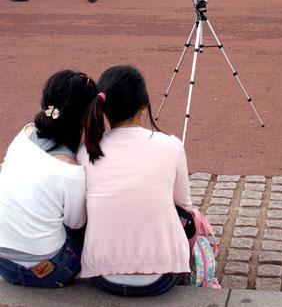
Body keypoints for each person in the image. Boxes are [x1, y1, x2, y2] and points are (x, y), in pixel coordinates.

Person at [78, 65, 193, 297]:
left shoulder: (85, 151)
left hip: (102, 276)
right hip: (162, 276)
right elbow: (184, 205)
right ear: (144, 105)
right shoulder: (171, 146)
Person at [0, 70, 98, 287]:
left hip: (3, 263)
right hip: (47, 270)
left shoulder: (24, 133)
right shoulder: (70, 170)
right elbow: (76, 223)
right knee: (91, 226)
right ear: (85, 116)